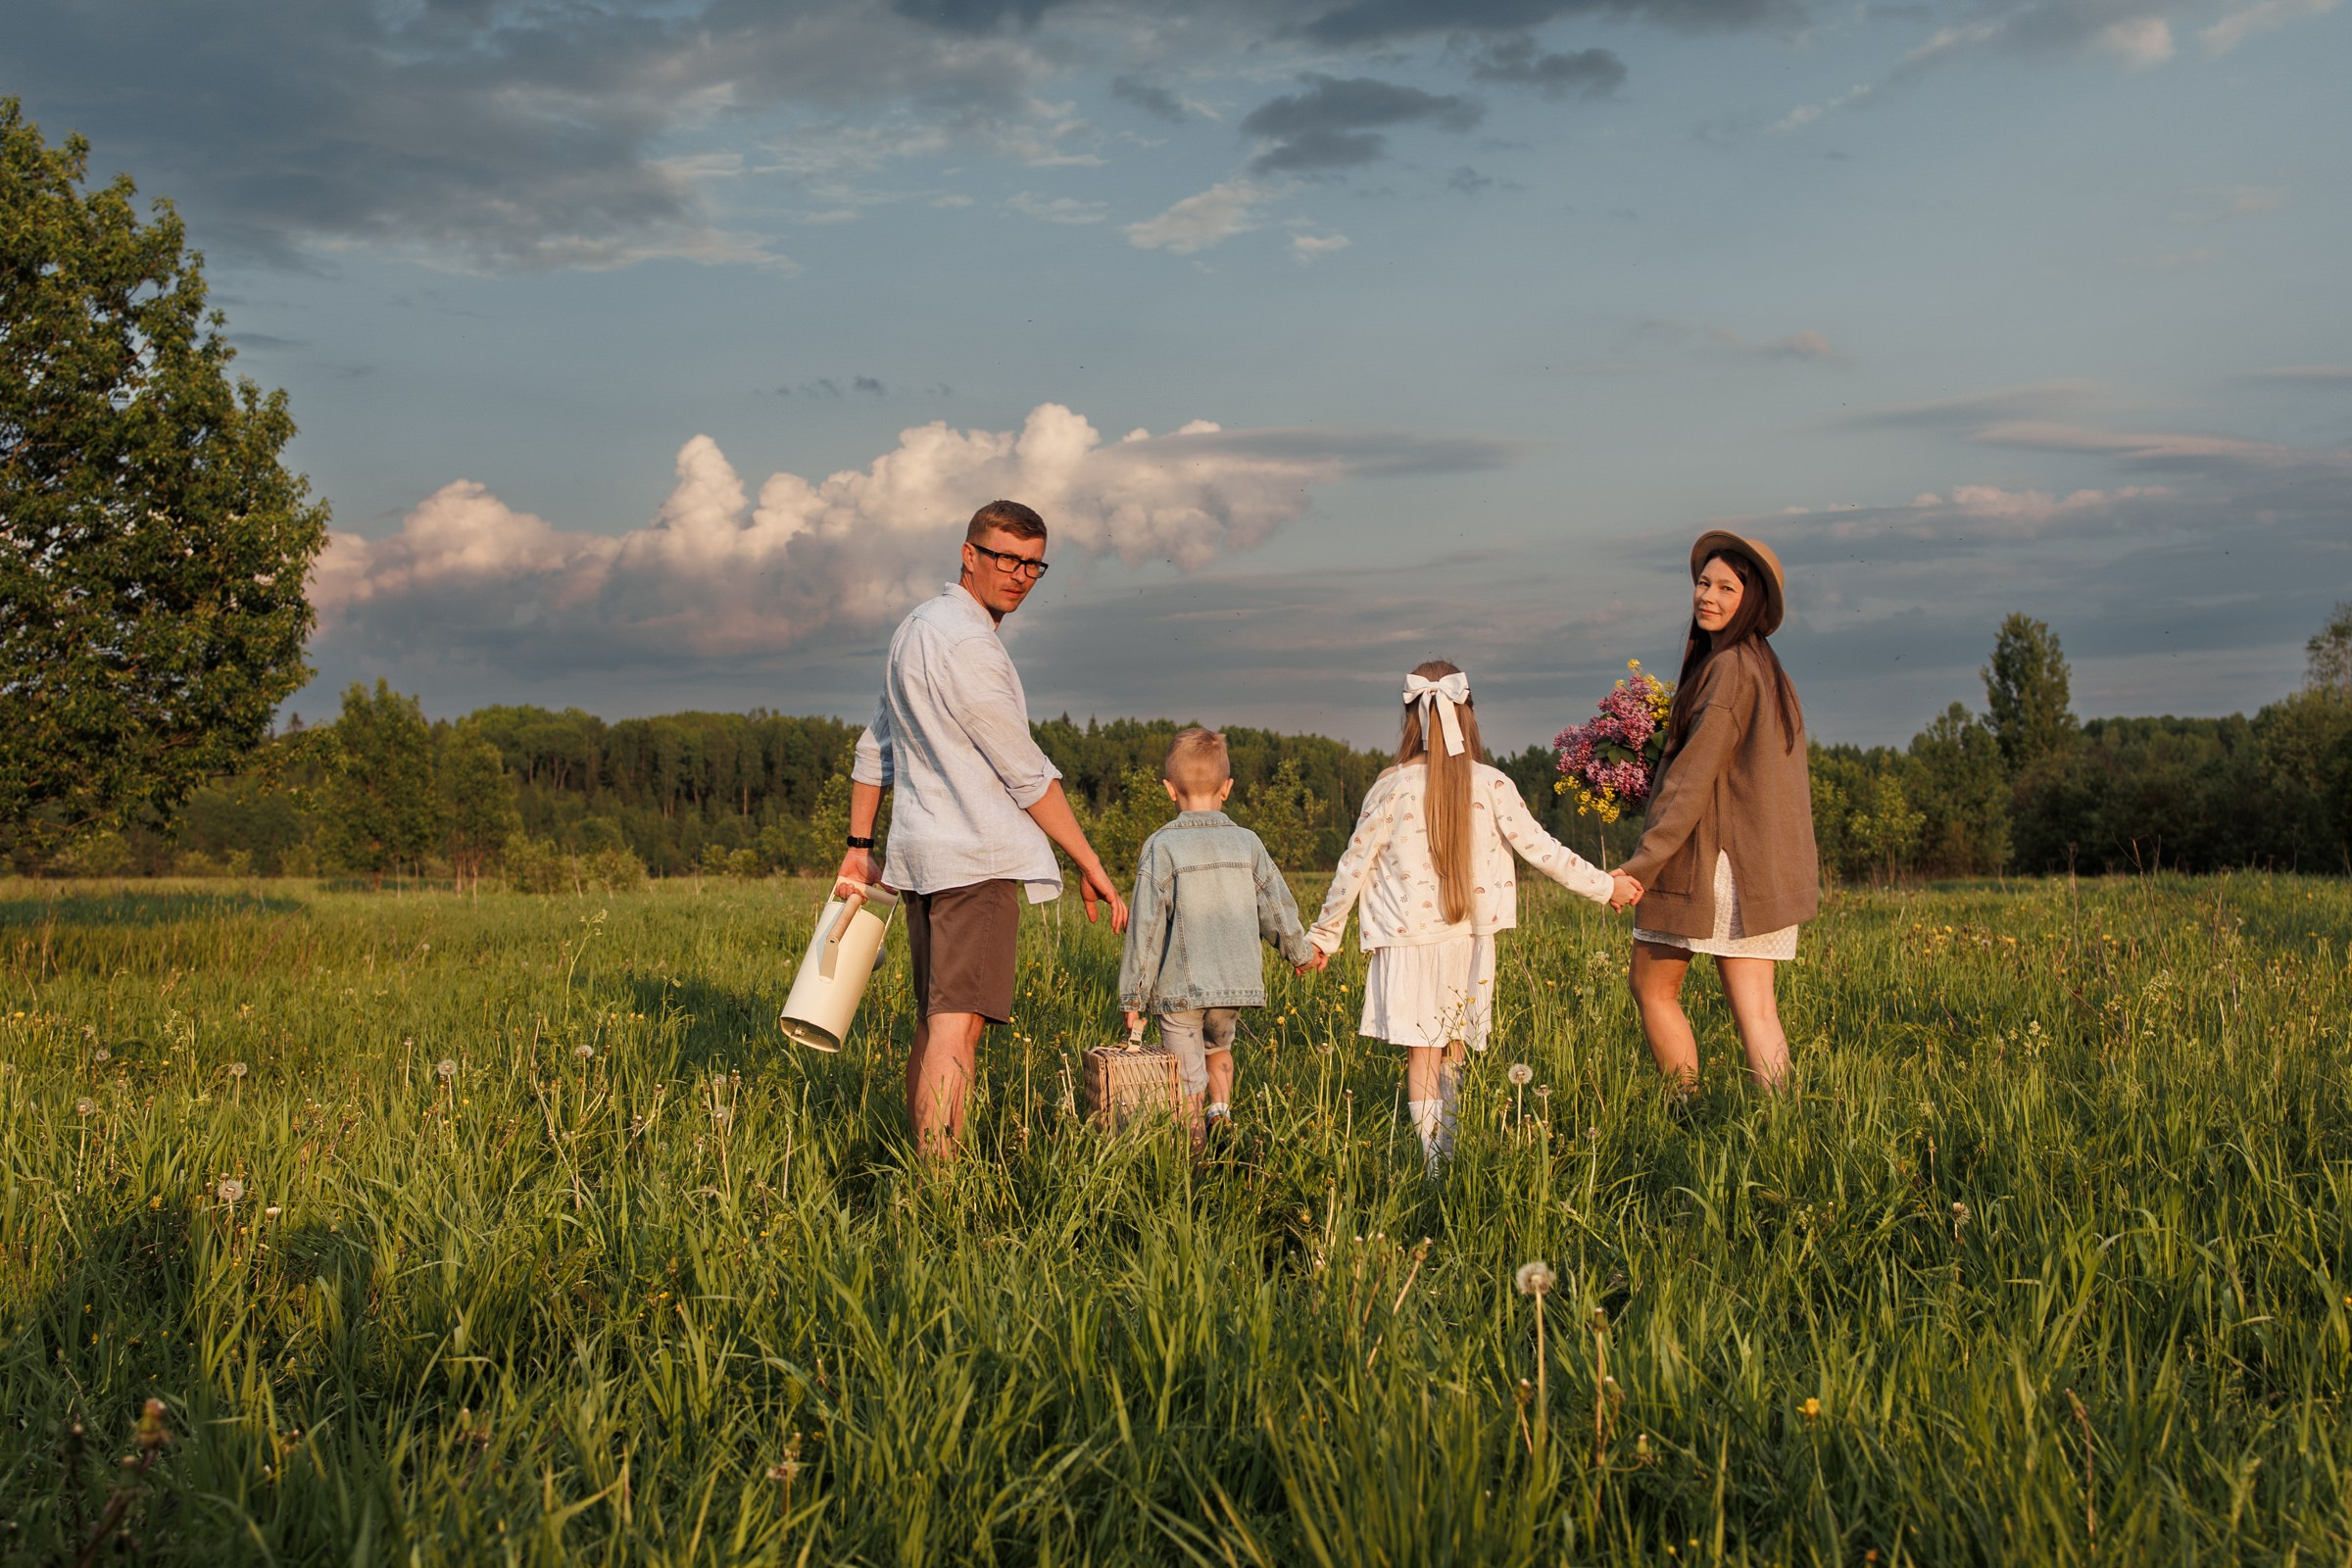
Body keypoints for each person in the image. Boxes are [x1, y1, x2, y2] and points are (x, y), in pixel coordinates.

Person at [837, 500, 1128, 1159]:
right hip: (972, 860)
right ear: (969, 556)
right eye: (1006, 558)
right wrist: (1089, 861)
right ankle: (939, 1184)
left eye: (1033, 564)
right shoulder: (969, 645)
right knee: (954, 1032)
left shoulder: (915, 629)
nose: (1020, 575)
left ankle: (921, 1166)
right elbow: (1024, 772)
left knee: (934, 1025)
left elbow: (871, 747)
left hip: (922, 857)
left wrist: (859, 848)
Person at [1301, 662, 1641, 1171]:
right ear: (1469, 713)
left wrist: (1324, 936)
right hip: (1471, 939)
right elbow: (1541, 850)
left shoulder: (1388, 787)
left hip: (1405, 938)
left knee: (1423, 1055)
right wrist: (1605, 885)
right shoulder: (1494, 783)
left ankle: (1433, 1165)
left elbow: (1353, 865)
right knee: (1454, 1048)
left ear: (1409, 716)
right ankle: (1452, 1154)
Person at [1618, 530, 1819, 1094]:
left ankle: (1685, 1112)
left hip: (1710, 865)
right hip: (1755, 872)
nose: (1708, 595)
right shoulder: (1765, 668)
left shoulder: (1727, 669)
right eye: (1704, 583)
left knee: (1652, 988)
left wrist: (1641, 868)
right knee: (1757, 1010)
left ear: (1750, 600)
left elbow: (1690, 783)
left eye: (1726, 587)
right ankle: (1783, 1131)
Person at [1116, 728, 1316, 1151]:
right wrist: (1298, 952)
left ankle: (1194, 1153)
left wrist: (1133, 998)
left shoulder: (1162, 846)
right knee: (1218, 1050)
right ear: (1227, 788)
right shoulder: (1248, 843)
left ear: (1170, 789)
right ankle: (1221, 1117)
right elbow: (1275, 905)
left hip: (1181, 990)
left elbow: (1147, 929)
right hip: (1233, 985)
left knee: (1185, 1075)